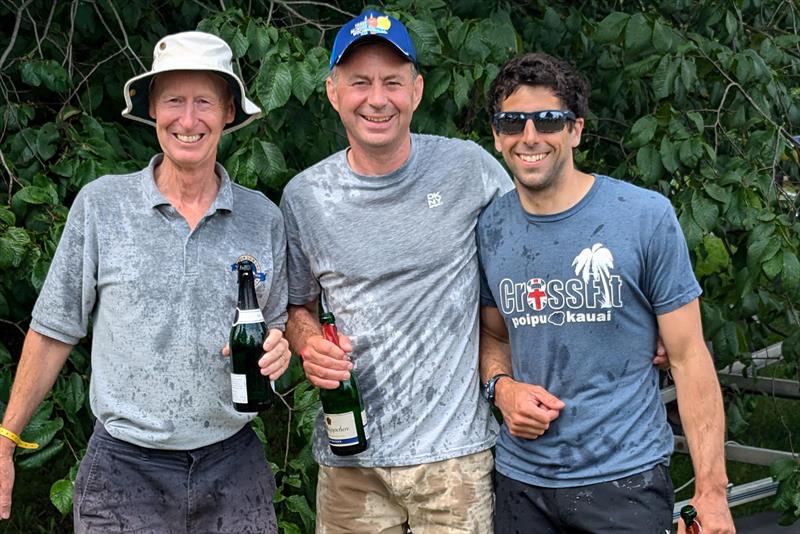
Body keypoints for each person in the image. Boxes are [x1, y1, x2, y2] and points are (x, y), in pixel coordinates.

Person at [0, 31, 290, 533]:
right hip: (124, 471)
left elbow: (277, 326)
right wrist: (5, 441)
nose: (188, 119)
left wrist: (279, 348)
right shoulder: (102, 205)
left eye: (204, 102)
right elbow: (53, 330)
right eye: (174, 100)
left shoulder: (261, 218)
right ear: (152, 109)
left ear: (227, 112)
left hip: (234, 466)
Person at [477, 52, 735, 533]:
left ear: (575, 130)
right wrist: (503, 389)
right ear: (497, 134)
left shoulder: (644, 216)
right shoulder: (490, 226)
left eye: (548, 120)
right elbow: (494, 337)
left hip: (625, 480)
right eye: (512, 121)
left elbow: (688, 355)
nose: (529, 136)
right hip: (520, 483)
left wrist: (712, 492)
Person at [279, 10, 513, 534]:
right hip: (350, 464)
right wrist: (308, 342)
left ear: (418, 90)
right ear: (333, 92)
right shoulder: (305, 197)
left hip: (454, 461)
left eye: (392, 82)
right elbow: (296, 308)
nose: (377, 99)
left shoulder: (466, 169)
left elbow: (538, 245)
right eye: (360, 82)